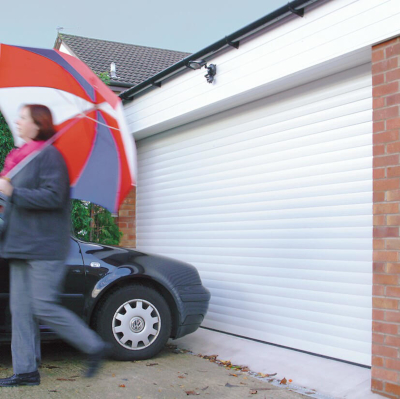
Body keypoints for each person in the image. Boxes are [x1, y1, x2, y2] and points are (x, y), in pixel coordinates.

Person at [0, 104, 108, 387]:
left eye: (23, 117)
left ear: (38, 124)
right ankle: (26, 371)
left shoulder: (50, 156)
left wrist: (14, 191)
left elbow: (53, 197)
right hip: (20, 245)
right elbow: (15, 203)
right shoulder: (18, 158)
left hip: (45, 247)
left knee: (43, 306)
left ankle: (93, 345)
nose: (18, 121)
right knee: (21, 310)